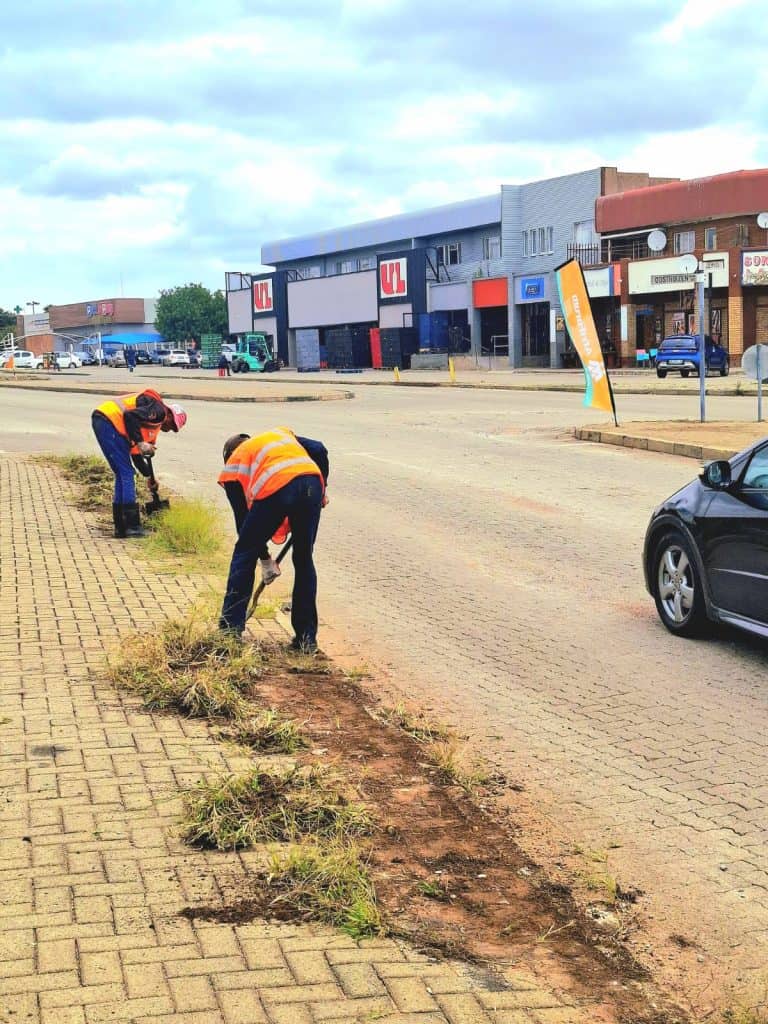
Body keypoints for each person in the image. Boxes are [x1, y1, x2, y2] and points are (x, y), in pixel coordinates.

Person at [218, 428, 329, 650]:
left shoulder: (233, 465)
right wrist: (323, 488)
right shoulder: (280, 435)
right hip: (311, 482)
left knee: (244, 553)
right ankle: (306, 640)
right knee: (304, 559)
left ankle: (230, 632)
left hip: (278, 487)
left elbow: (244, 524)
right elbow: (318, 448)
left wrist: (264, 560)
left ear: (229, 454)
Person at [91, 390, 187, 538]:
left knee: (123, 473)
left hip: (106, 421)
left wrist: (149, 477)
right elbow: (129, 416)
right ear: (169, 415)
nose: (169, 430)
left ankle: (121, 527)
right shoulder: (158, 410)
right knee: (127, 473)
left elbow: (136, 455)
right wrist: (142, 443)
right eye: (172, 425)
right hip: (108, 420)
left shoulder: (149, 423)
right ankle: (132, 526)